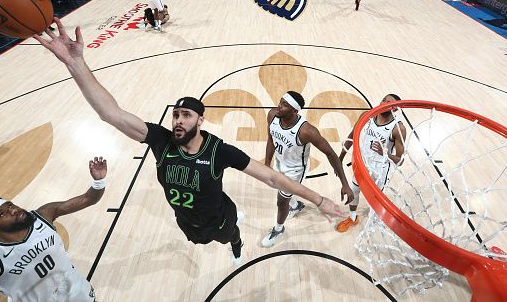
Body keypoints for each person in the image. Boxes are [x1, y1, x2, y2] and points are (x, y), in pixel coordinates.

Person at [32, 19, 344, 266]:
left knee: (230, 235)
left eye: (187, 115)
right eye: (176, 114)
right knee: (197, 238)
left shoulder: (219, 151)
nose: (179, 120)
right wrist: (75, 63)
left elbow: (274, 177)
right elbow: (110, 113)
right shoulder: (160, 139)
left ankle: (237, 242)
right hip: (185, 219)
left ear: (199, 121)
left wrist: (319, 199)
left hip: (219, 217)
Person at [0, 157, 108, 301]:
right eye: (2, 214)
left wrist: (99, 181)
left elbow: (89, 199)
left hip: (74, 288)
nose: (13, 210)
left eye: (10, 205)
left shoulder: (44, 215)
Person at [261, 92, 354, 247]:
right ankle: (297, 205)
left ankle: (278, 229)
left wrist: (344, 183)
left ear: (294, 111)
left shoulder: (306, 131)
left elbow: (330, 153)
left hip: (295, 170)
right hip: (280, 161)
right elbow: (271, 139)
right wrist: (267, 163)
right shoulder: (272, 115)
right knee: (283, 193)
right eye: (280, 101)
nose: (279, 106)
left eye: (284, 105)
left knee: (281, 201)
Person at [336, 94, 407, 233]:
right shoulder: (367, 115)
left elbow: (401, 160)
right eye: (384, 99)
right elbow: (352, 136)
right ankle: (352, 217)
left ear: (396, 109)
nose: (384, 103)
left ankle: (376, 216)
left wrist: (385, 153)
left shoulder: (398, 128)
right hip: (363, 163)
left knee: (376, 199)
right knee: (354, 190)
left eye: (390, 103)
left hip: (380, 169)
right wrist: (340, 157)